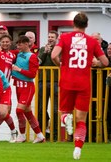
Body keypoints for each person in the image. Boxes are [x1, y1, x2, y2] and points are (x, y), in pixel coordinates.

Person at [51, 12, 109, 160]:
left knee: (64, 113)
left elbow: (53, 56)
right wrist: (97, 64)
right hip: (83, 83)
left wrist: (61, 65)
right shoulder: (92, 41)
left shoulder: (64, 38)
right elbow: (106, 62)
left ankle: (66, 121)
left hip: (67, 80)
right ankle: (77, 148)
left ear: (73, 23)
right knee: (81, 120)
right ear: (87, 25)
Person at [11, 35, 45, 143]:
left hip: (27, 87)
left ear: (26, 44)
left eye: (20, 44)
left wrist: (19, 69)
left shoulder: (32, 56)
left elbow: (32, 74)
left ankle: (22, 135)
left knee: (19, 110)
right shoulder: (18, 53)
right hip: (18, 86)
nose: (18, 46)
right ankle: (40, 136)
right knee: (28, 113)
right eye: (17, 44)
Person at [37, 30, 59, 140]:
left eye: (52, 37)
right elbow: (38, 62)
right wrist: (45, 52)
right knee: (41, 108)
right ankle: (41, 133)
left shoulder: (59, 50)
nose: (50, 39)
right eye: (49, 37)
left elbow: (59, 62)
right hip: (42, 81)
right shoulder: (42, 49)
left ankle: (55, 134)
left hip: (56, 82)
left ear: (56, 39)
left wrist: (52, 53)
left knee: (55, 109)